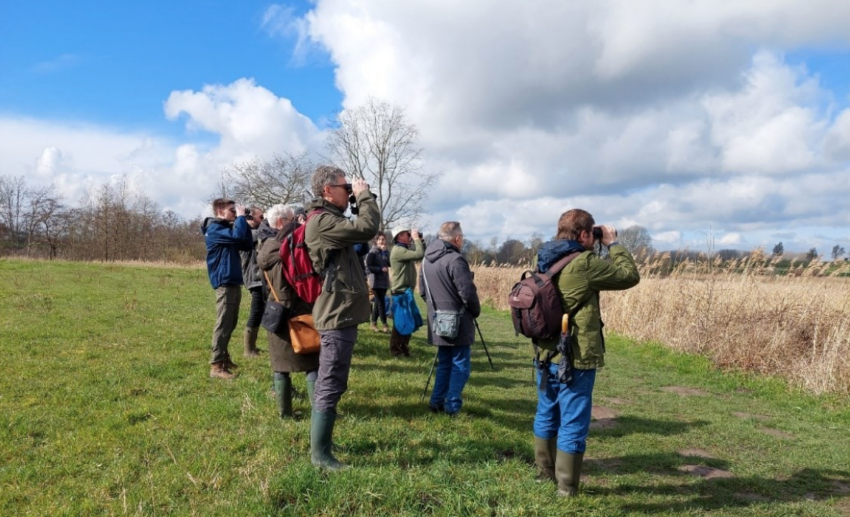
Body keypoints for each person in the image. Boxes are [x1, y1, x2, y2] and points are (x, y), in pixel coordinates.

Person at [532, 209, 639, 497]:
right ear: (582, 234)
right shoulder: (586, 262)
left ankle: (544, 475)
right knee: (573, 421)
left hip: (545, 354)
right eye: (591, 233)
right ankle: (566, 490)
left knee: (546, 412)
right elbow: (629, 276)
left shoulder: (542, 258)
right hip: (574, 357)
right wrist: (613, 244)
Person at [304, 165, 380, 470]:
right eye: (343, 186)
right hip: (335, 314)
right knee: (331, 381)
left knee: (332, 380)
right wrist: (363, 197)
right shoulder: (322, 222)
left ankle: (323, 445)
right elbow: (367, 228)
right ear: (326, 190)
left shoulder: (330, 219)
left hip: (341, 311)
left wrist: (354, 198)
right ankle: (320, 456)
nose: (348, 190)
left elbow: (360, 237)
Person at [256, 204, 320, 418]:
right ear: (282, 222)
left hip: (277, 309)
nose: (297, 222)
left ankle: (285, 415)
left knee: (280, 366)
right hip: (301, 308)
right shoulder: (296, 246)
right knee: (312, 363)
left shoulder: (266, 248)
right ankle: (319, 411)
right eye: (293, 219)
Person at [419, 222, 480, 416]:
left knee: (445, 362)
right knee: (460, 364)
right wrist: (475, 311)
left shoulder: (426, 260)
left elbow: (422, 292)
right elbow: (467, 293)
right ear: (457, 238)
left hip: (437, 319)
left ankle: (436, 401)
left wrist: (437, 308)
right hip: (458, 319)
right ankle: (452, 407)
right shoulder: (455, 259)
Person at [201, 198, 254, 380]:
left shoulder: (226, 229)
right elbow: (238, 237)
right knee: (223, 323)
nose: (234, 212)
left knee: (230, 323)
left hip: (233, 281)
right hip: (224, 282)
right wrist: (240, 219)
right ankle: (216, 366)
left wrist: (244, 221)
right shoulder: (214, 229)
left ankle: (224, 357)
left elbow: (246, 244)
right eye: (231, 210)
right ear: (219, 212)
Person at [389, 227, 425, 357]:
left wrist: (420, 240)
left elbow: (420, 252)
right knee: (400, 323)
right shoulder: (398, 251)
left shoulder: (404, 250)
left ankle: (403, 348)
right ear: (399, 237)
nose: (409, 236)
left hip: (405, 292)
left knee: (408, 321)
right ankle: (395, 350)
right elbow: (419, 254)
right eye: (406, 234)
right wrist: (415, 239)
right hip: (400, 292)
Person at [239, 205, 265, 358]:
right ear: (250, 218)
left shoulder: (254, 231)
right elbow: (260, 235)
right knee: (256, 312)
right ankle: (248, 350)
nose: (263, 221)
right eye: (260, 217)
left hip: (258, 277)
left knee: (260, 311)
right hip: (254, 277)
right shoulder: (248, 233)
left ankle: (252, 346)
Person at [366, 232, 391, 333]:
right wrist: (380, 269)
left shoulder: (385, 252)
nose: (381, 241)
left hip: (384, 281)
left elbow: (389, 263)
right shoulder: (372, 252)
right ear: (376, 241)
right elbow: (369, 266)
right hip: (375, 281)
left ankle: (373, 324)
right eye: (379, 239)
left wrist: (385, 253)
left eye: (383, 239)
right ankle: (385, 325)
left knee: (377, 303)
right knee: (381, 303)